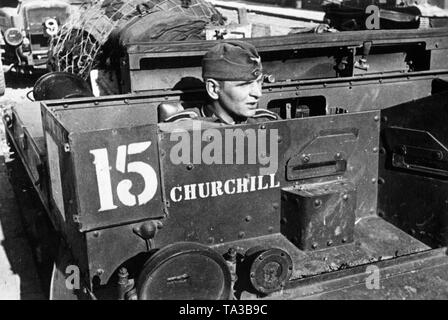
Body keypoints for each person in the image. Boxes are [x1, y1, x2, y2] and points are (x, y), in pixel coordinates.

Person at [159, 40, 278, 124]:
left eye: (259, 82)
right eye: (245, 84)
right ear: (213, 89)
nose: (258, 93)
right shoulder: (182, 129)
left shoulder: (269, 122)